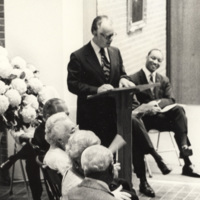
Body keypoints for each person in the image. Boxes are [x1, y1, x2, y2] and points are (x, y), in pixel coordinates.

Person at [129, 49, 200, 180]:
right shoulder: (134, 78)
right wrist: (147, 107)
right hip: (144, 120)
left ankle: (185, 153)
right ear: (147, 57)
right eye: (153, 58)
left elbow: (171, 99)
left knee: (179, 110)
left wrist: (156, 104)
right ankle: (187, 161)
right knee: (179, 121)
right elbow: (132, 104)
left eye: (159, 60)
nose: (155, 62)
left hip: (160, 117)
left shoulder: (163, 79)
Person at [67, 15, 134, 147]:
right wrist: (96, 90)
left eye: (112, 35)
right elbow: (72, 84)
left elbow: (122, 73)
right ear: (94, 32)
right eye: (107, 36)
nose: (111, 39)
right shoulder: (79, 56)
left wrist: (124, 79)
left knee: (113, 156)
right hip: (92, 117)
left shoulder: (115, 52)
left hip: (115, 116)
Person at [0, 98, 71, 200]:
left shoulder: (58, 129)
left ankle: (13, 158)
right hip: (59, 171)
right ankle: (15, 157)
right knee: (33, 151)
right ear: (47, 117)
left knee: (32, 149)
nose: (66, 119)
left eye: (67, 115)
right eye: (60, 116)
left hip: (47, 161)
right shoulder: (46, 132)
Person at [62, 130, 138, 200]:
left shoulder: (77, 168)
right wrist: (112, 195)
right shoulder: (73, 183)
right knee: (130, 195)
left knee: (123, 183)